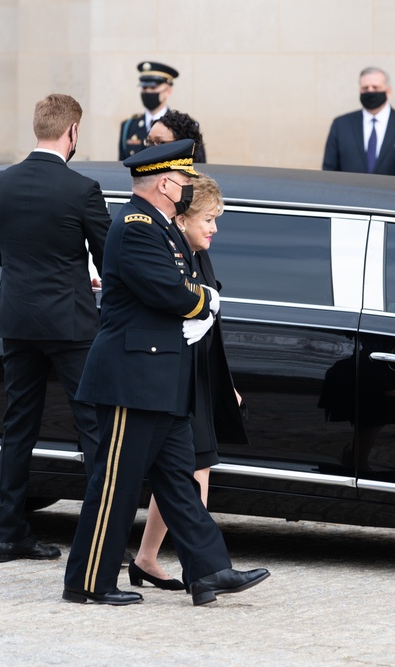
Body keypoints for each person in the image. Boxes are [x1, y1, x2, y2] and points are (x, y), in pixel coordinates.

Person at [63, 139, 269, 606]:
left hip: (159, 378)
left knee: (179, 482)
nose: (188, 187)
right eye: (184, 180)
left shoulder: (159, 225)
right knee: (114, 486)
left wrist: (197, 298)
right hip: (131, 379)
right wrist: (206, 302)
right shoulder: (137, 225)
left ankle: (210, 572)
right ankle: (87, 581)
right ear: (164, 183)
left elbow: (180, 281)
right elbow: (169, 291)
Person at [0, 93, 110, 564]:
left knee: (18, 425)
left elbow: (1, 254)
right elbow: (108, 256)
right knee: (93, 428)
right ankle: (99, 538)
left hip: (17, 318)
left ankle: (9, 534)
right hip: (71, 322)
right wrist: (80, 274)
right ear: (73, 132)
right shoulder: (82, 188)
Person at [128, 173, 247, 590]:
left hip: (196, 374)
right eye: (209, 219)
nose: (215, 228)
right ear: (183, 220)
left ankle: (155, 560)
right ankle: (202, 569)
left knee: (189, 469)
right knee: (191, 470)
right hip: (172, 376)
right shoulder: (169, 250)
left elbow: (210, 324)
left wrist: (221, 382)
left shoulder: (197, 251)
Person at [322, 66, 395, 178]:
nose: (370, 91)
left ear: (388, 91)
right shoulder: (340, 125)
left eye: (375, 87)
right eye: (365, 88)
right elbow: (329, 172)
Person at [119, 61, 178, 160]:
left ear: (168, 91)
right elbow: (121, 167)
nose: (148, 91)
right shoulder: (128, 126)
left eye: (153, 87)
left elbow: (199, 169)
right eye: (145, 87)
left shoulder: (180, 126)